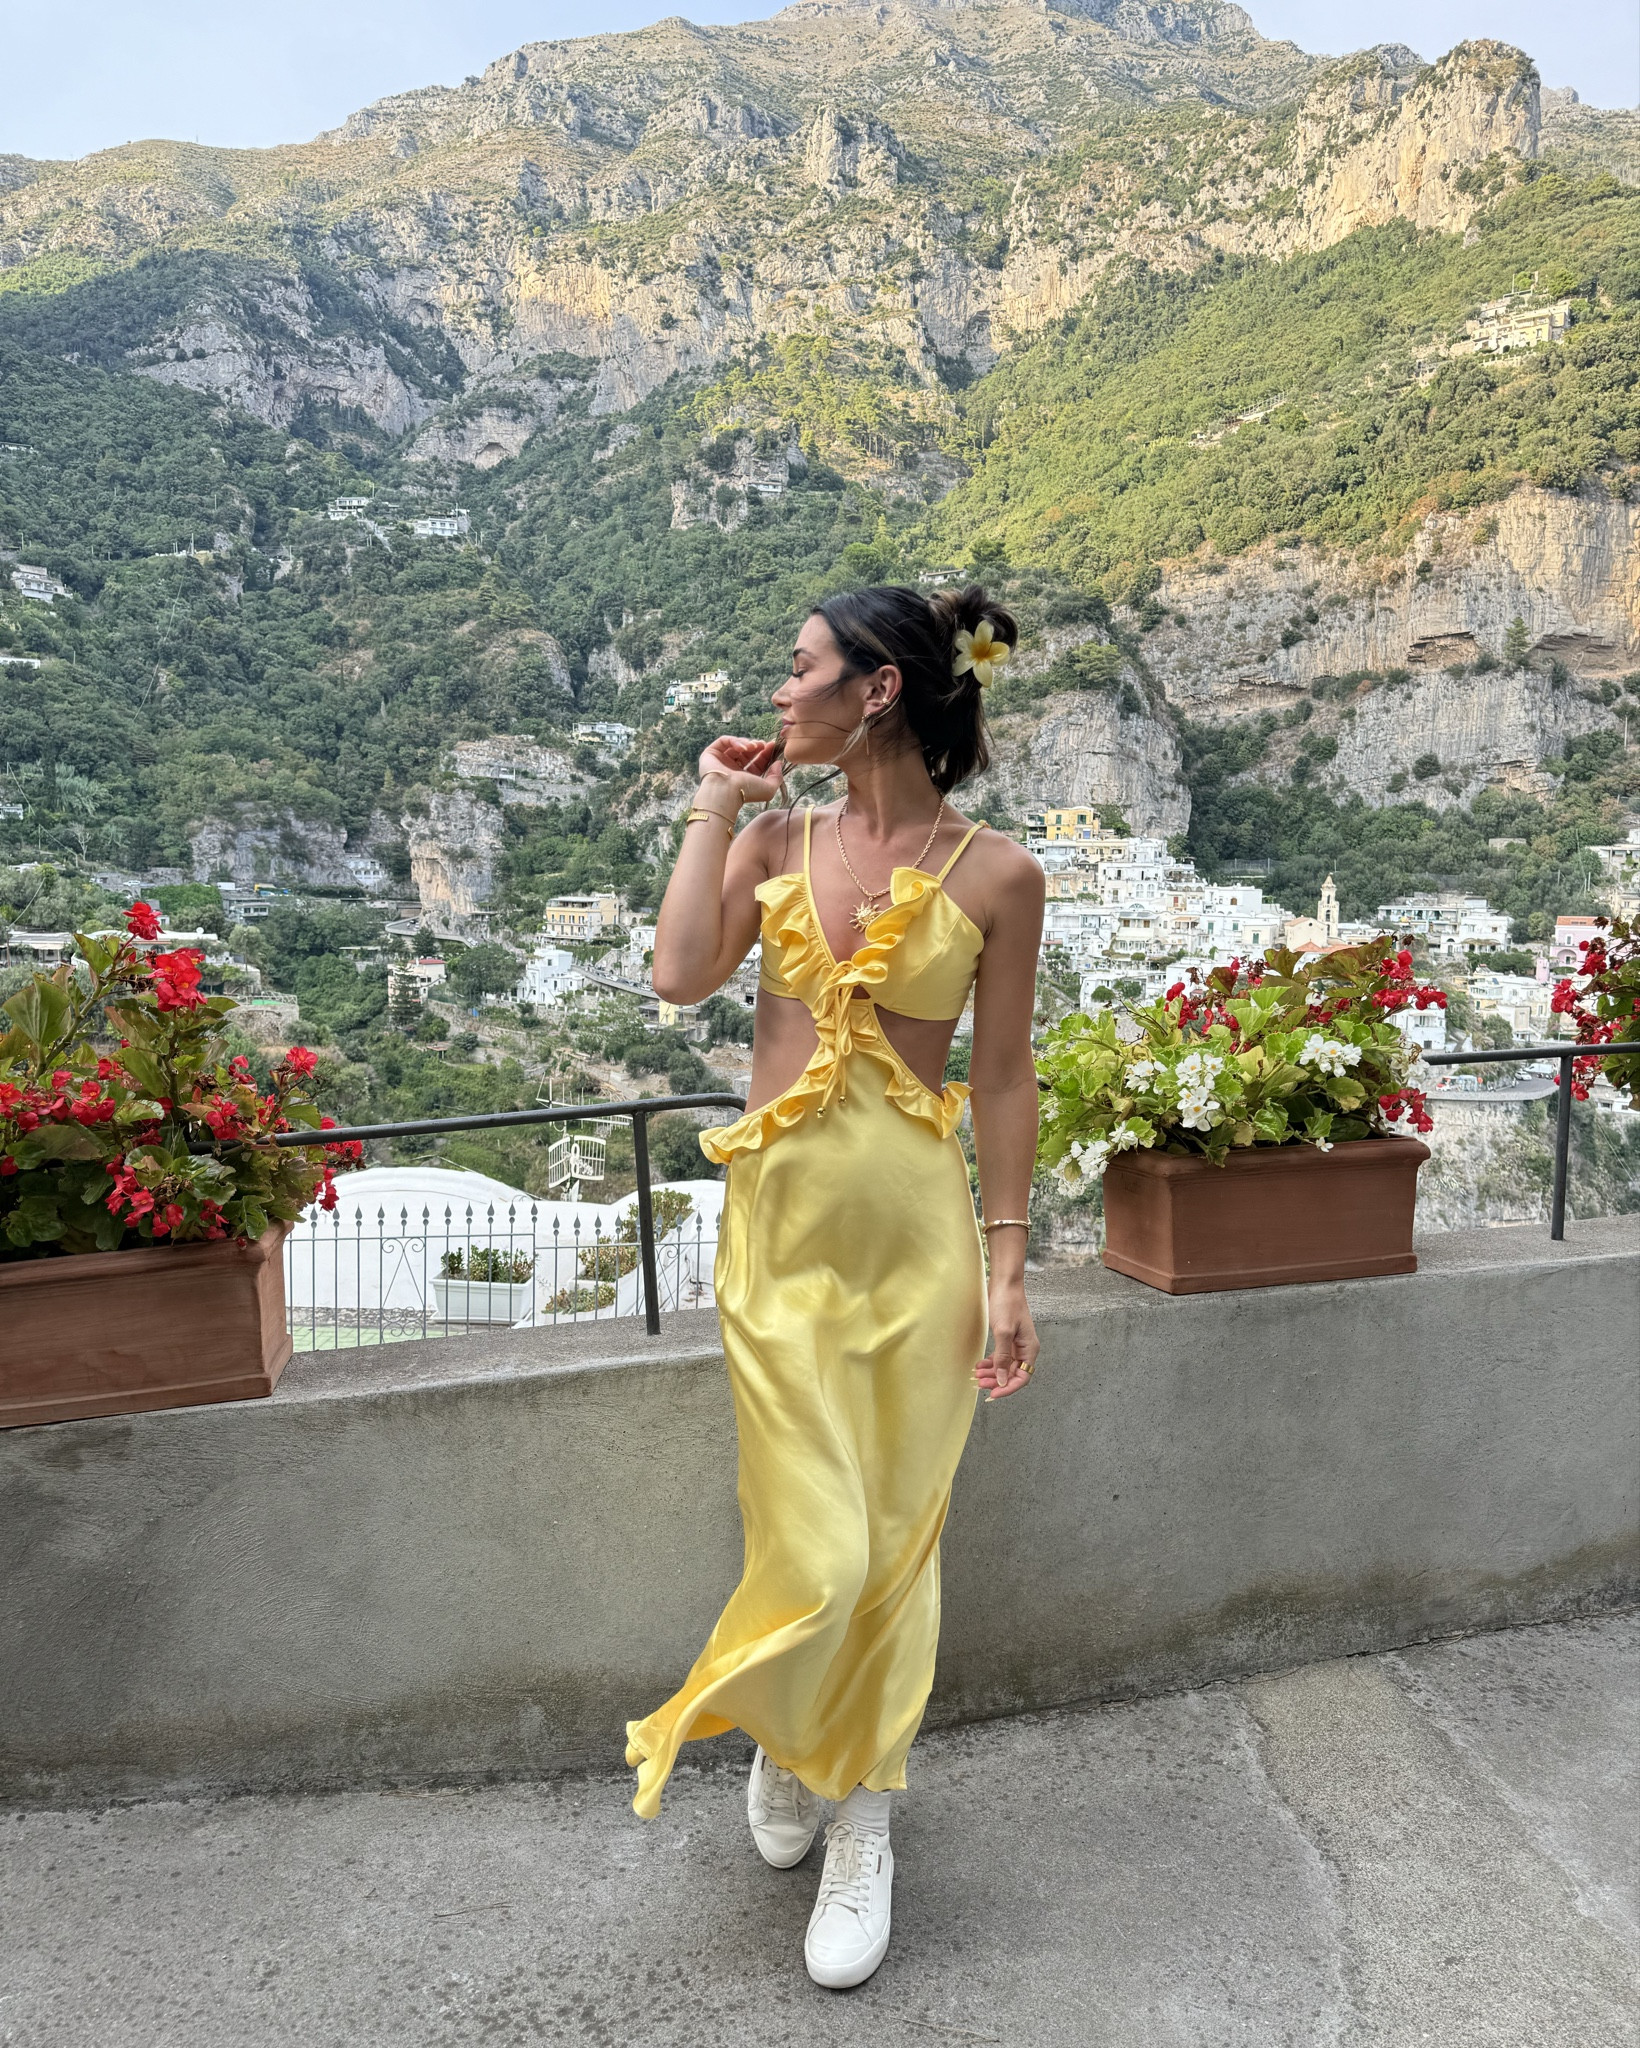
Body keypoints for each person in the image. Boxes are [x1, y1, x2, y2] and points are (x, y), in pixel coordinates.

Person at [625, 583, 1045, 1989]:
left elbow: (1002, 1078)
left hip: (920, 1254)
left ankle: (860, 1810)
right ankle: (796, 1742)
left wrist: (1008, 1267)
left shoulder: (997, 874)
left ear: (878, 689)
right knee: (815, 1541)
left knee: (896, 1541)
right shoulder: (769, 841)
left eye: (798, 668)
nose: (778, 691)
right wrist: (711, 804)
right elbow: (680, 974)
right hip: (780, 1243)